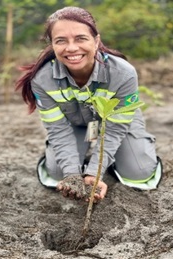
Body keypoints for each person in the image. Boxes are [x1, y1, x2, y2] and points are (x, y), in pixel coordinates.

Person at [16, 6, 162, 201]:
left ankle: (114, 158)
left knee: (140, 171)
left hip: (117, 122)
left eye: (80, 38)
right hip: (76, 124)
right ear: (52, 45)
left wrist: (94, 173)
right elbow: (58, 129)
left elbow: (115, 128)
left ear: (96, 40)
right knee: (58, 173)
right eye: (61, 41)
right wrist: (72, 175)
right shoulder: (43, 80)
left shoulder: (123, 73)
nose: (72, 48)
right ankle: (79, 157)